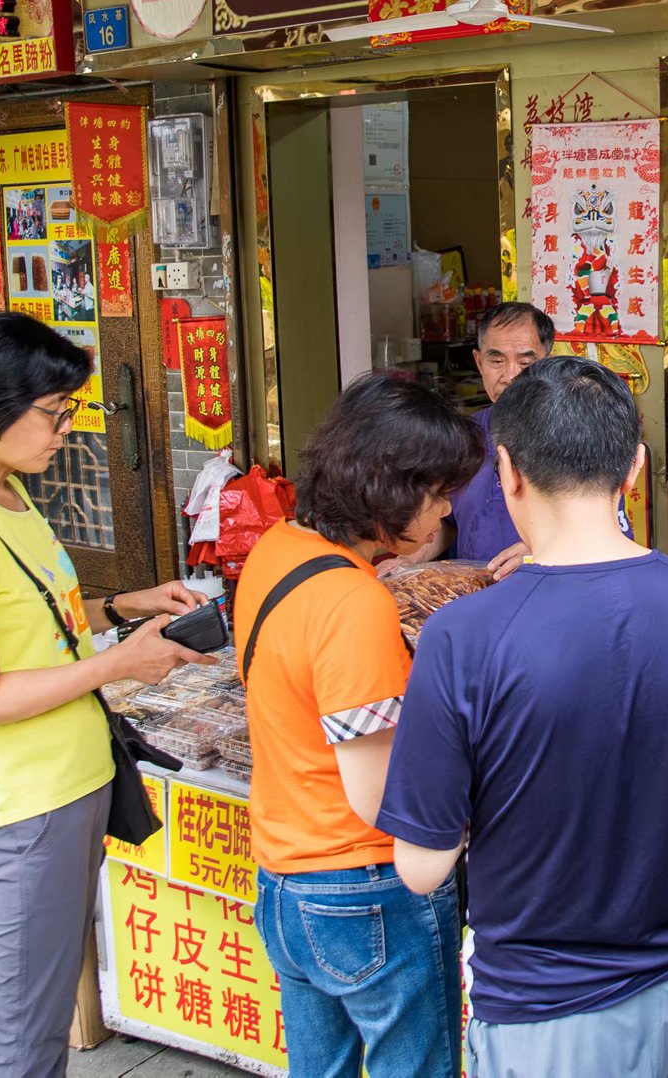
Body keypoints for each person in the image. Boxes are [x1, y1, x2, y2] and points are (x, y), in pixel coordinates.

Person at [378, 357, 668, 1077]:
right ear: (633, 469)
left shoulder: (462, 635)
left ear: (505, 471)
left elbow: (422, 866)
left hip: (550, 1016)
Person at [0, 313, 218, 1078]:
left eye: (71, 411)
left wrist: (124, 607)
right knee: (22, 1035)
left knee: (38, 1011)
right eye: (54, 413)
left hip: (68, 789)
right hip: (19, 809)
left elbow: (38, 626)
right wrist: (116, 667)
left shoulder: (6, 495)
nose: (66, 430)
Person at [231, 371, 485, 1078]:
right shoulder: (354, 603)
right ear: (387, 485)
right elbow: (380, 795)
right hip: (364, 884)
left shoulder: (279, 550)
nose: (441, 515)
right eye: (436, 495)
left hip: (285, 875)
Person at [397, 301, 633, 580]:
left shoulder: (579, 433)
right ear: (478, 361)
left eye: (525, 362)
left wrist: (539, 550)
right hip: (476, 598)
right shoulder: (459, 438)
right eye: (496, 361)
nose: (510, 376)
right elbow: (448, 524)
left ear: (546, 361)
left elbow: (606, 532)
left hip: (552, 594)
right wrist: (410, 559)